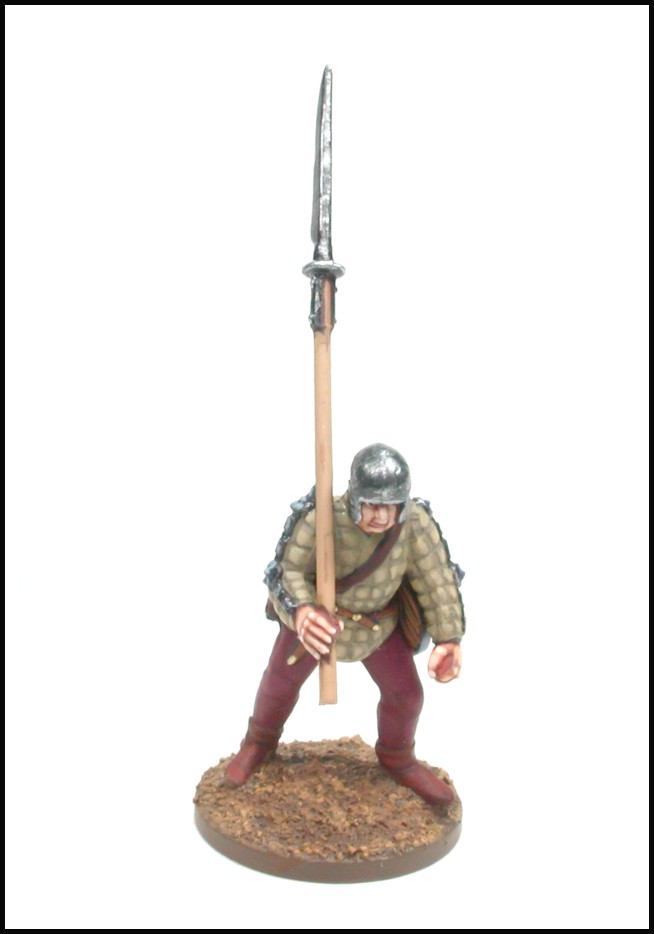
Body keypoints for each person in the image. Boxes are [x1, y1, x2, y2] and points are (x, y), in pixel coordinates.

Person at [224, 443, 465, 806]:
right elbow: (287, 571)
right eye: (371, 505)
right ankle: (258, 743)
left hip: (376, 628)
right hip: (316, 626)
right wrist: (303, 613)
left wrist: (448, 638)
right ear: (354, 498)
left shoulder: (414, 524)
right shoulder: (320, 518)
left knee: (406, 695)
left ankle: (397, 757)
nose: (381, 516)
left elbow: (436, 578)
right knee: (279, 682)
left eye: (390, 505)